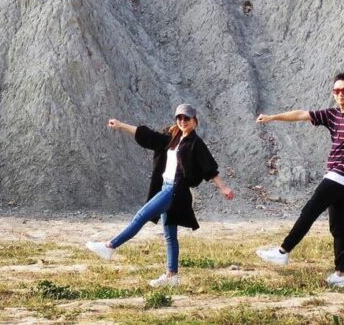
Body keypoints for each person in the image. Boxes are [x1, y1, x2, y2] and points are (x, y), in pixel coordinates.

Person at [255, 72, 344, 288]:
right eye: (337, 91)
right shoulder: (332, 115)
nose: (341, 94)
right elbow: (302, 114)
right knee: (337, 227)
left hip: (341, 175)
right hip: (343, 178)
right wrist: (273, 117)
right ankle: (341, 275)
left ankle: (283, 252)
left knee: (309, 210)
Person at [86, 103, 234, 287]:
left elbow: (209, 168)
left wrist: (224, 188)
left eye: (187, 118)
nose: (182, 121)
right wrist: (121, 125)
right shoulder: (172, 137)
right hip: (165, 187)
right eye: (179, 118)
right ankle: (172, 276)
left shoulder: (196, 144)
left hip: (175, 190)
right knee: (170, 235)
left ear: (195, 121)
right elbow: (147, 136)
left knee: (141, 216)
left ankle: (110, 246)